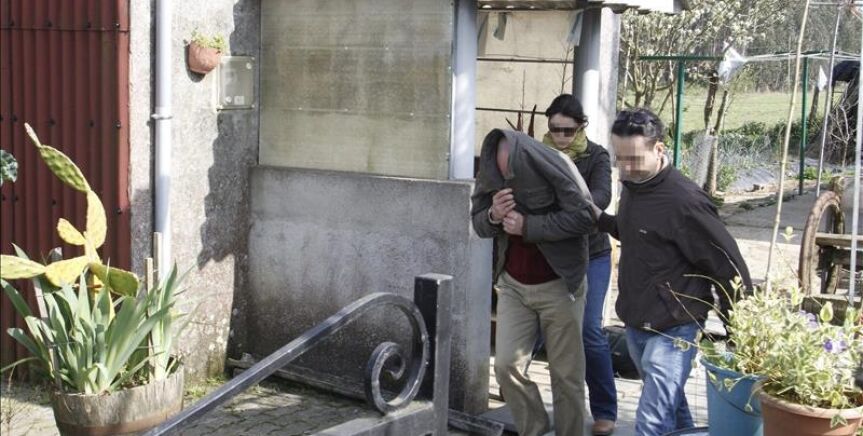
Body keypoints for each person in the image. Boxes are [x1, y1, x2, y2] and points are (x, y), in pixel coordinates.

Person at [592, 107, 751, 436]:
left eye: (634, 159)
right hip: (636, 319)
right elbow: (637, 232)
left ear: (659, 149)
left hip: (675, 326)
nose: (625, 168)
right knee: (673, 409)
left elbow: (727, 264)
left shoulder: (685, 201)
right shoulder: (634, 184)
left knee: (651, 421)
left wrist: (740, 329)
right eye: (620, 158)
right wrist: (599, 219)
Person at [472, 128, 595, 436]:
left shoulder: (555, 164)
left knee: (566, 376)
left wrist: (529, 226)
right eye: (500, 173)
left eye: (510, 173)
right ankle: (535, 428)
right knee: (505, 366)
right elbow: (478, 224)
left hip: (560, 286)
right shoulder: (492, 172)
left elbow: (585, 218)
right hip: (513, 286)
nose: (506, 178)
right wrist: (493, 215)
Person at [541, 94, 617, 436]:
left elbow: (600, 198)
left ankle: (605, 409)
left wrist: (563, 209)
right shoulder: (538, 154)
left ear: (581, 127)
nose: (560, 136)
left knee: (589, 330)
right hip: (553, 254)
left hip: (593, 254)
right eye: (555, 129)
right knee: (554, 331)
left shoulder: (596, 156)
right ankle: (564, 408)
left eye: (568, 130)